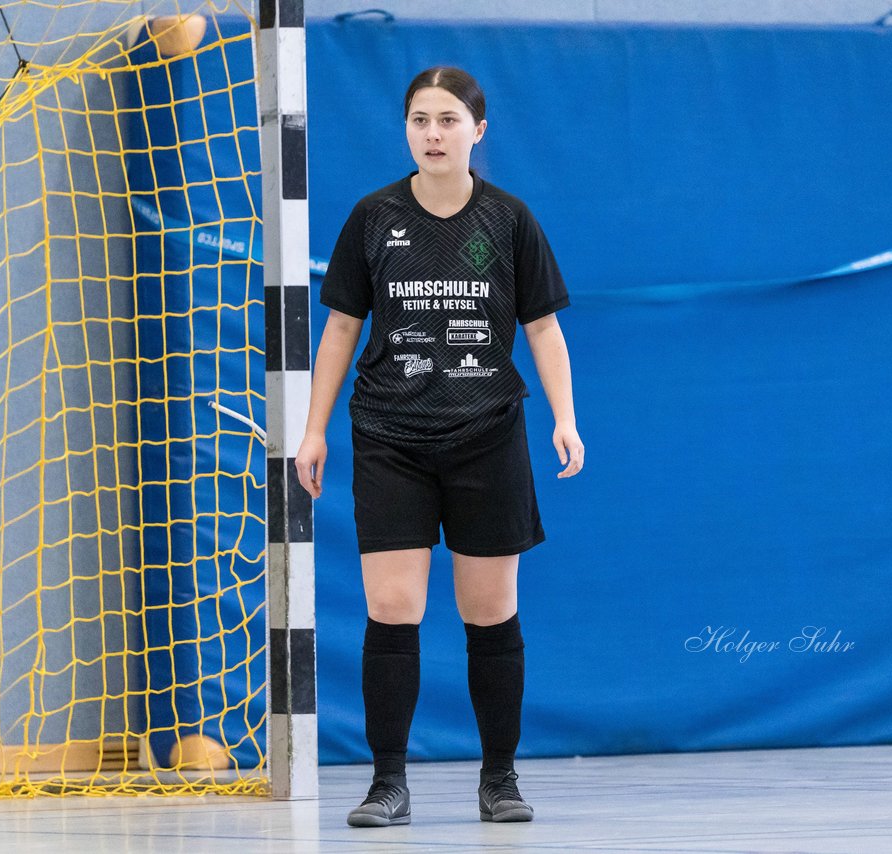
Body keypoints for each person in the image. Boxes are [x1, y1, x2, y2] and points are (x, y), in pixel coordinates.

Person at [294, 66, 584, 827]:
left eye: (448, 120)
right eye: (420, 119)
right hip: (390, 434)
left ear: (477, 130)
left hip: (487, 433)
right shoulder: (372, 217)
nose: (433, 133)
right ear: (406, 130)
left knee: (489, 612)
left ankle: (500, 778)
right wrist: (314, 427)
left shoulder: (510, 221)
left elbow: (544, 328)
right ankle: (387, 782)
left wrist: (564, 416)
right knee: (393, 608)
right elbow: (342, 329)